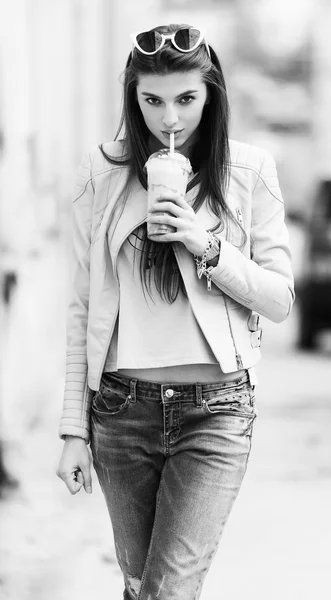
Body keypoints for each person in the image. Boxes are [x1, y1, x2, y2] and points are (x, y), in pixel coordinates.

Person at [56, 23, 294, 600]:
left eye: (186, 99)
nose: (169, 119)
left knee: (168, 592)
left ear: (211, 95)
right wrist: (72, 430)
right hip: (121, 410)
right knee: (141, 589)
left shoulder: (248, 172)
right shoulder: (103, 173)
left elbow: (280, 300)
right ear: (133, 99)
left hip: (215, 413)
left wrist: (205, 244)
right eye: (152, 100)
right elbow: (83, 308)